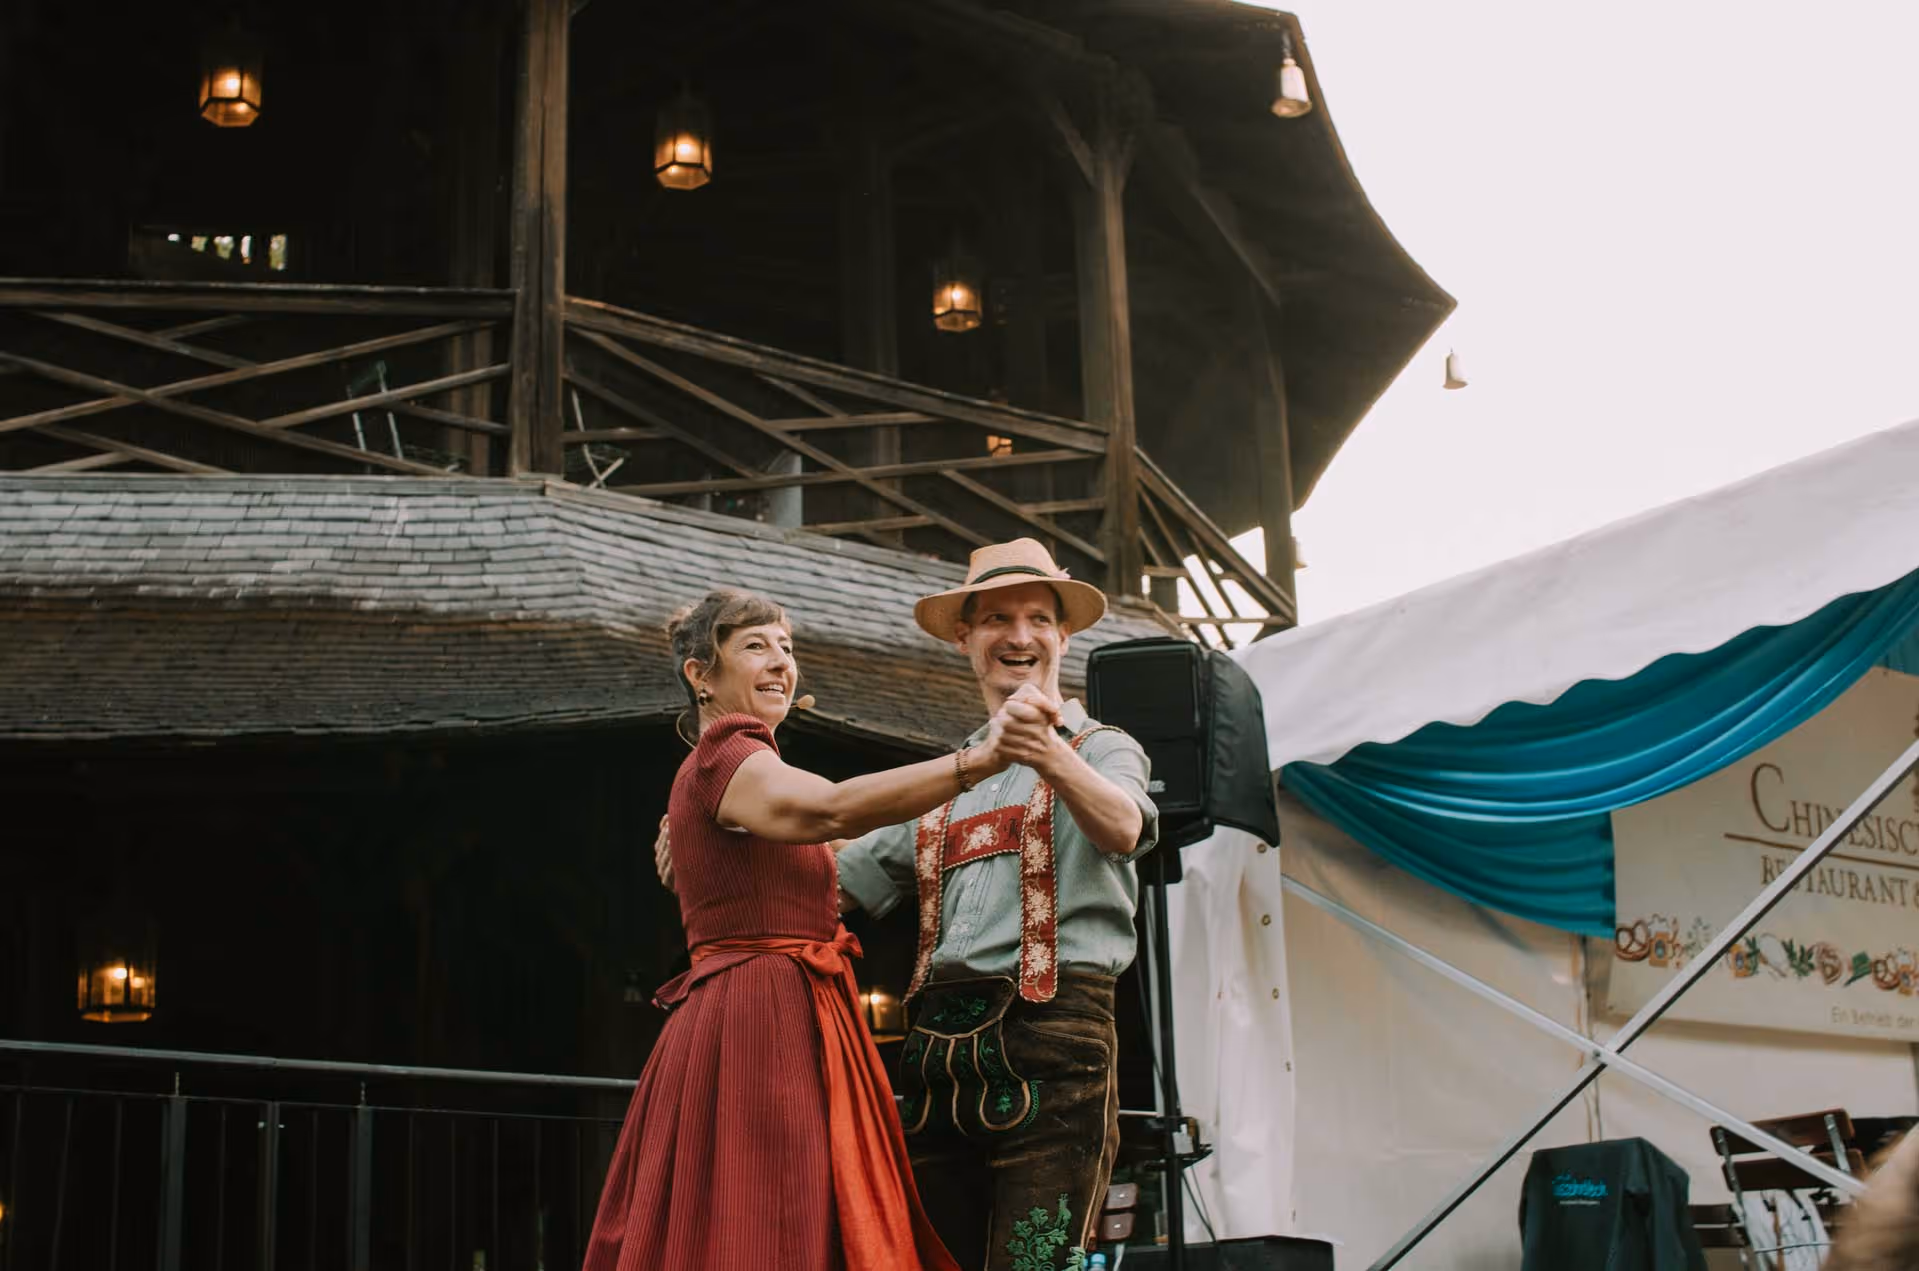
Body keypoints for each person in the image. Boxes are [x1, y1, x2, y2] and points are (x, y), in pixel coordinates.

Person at [658, 540, 1160, 1270]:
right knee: (929, 1260)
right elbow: (822, 875)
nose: (1018, 635)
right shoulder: (946, 782)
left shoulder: (1104, 748)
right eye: (996, 619)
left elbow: (1125, 826)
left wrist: (1047, 750)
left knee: (1036, 1263)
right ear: (966, 637)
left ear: (1062, 634)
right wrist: (712, 828)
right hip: (939, 1054)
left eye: (1036, 618)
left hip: (1054, 1038)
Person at [584, 588, 1050, 1271]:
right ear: (700, 674)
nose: (780, 661)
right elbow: (832, 808)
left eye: (787, 646)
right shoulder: (728, 752)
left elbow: (851, 844)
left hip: (787, 1005)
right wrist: (976, 763)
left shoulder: (738, 770)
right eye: (754, 646)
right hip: (759, 1016)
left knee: (789, 1212)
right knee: (773, 1211)